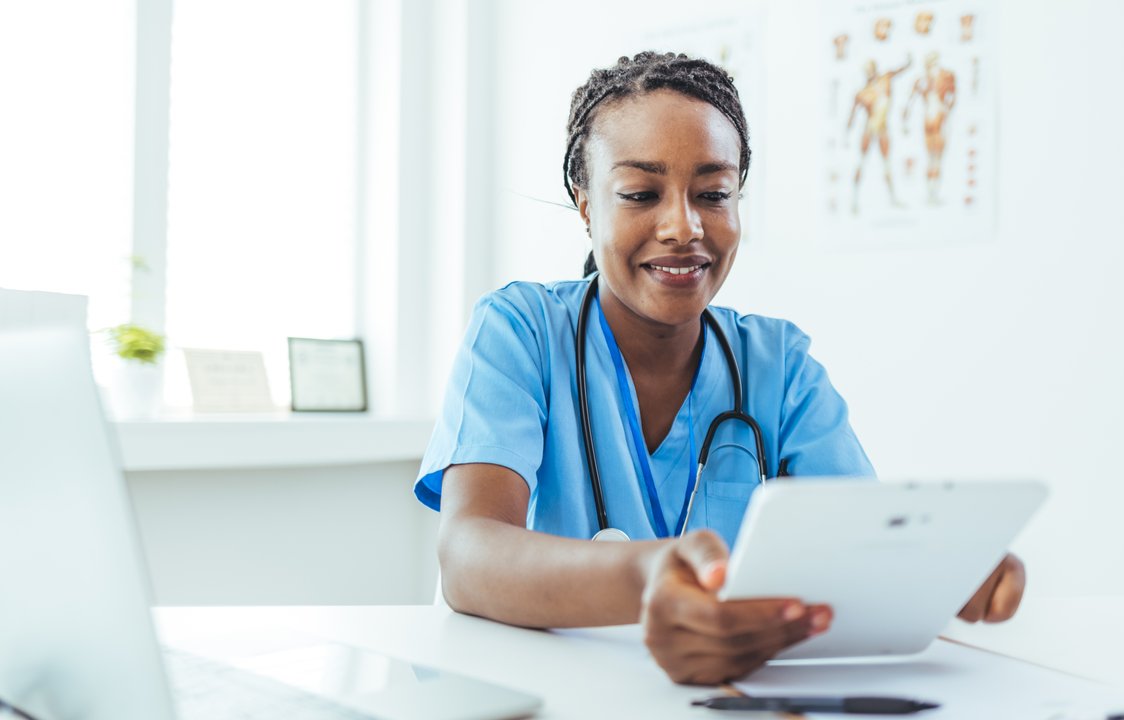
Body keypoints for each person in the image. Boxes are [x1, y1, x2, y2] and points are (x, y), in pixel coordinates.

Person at [415, 51, 1025, 686]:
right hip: (544, 693)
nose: (683, 226)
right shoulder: (520, 331)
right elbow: (468, 554)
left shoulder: (779, 367)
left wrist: (943, 569)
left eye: (712, 195)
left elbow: (862, 547)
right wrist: (648, 576)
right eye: (640, 194)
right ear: (586, 204)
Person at [846, 56, 912, 214]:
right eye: (866, 71)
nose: (869, 73)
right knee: (861, 162)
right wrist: (846, 135)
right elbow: (852, 115)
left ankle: (893, 198)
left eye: (870, 69)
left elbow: (899, 70)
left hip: (882, 128)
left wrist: (908, 62)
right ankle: (854, 200)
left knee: (886, 164)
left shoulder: (885, 79)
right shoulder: (862, 93)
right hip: (869, 128)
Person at [903, 52, 957, 205]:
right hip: (935, 117)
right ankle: (931, 193)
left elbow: (952, 96)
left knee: (933, 158)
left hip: (932, 115)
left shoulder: (940, 77)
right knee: (935, 158)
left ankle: (932, 193)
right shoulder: (932, 78)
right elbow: (911, 100)